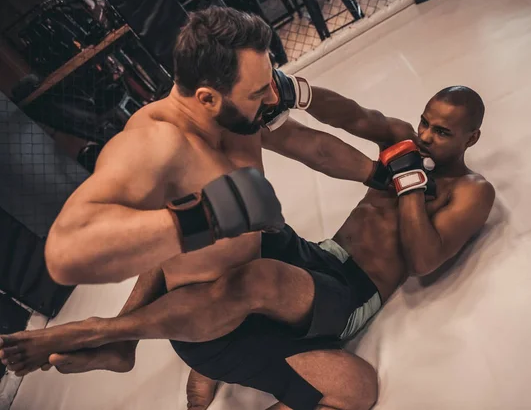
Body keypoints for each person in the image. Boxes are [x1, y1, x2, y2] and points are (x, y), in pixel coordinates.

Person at [0, 76, 495, 410]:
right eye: (426, 122)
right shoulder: (404, 136)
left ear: (472, 138)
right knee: (209, 219)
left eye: (443, 131)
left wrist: (410, 185)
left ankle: (100, 330)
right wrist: (293, 89)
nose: (427, 136)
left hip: (354, 291)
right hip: (320, 255)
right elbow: (354, 116)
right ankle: (125, 343)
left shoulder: (473, 192)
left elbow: (427, 259)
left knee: (257, 278)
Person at [2, 7, 385, 410]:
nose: (272, 97)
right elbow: (66, 251)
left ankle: (125, 341)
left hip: (268, 257)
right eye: (258, 93)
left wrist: (379, 172)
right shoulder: (155, 145)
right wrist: (208, 216)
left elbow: (311, 146)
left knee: (342, 282)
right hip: (218, 324)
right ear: (207, 97)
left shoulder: (235, 112)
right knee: (355, 388)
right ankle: (109, 333)